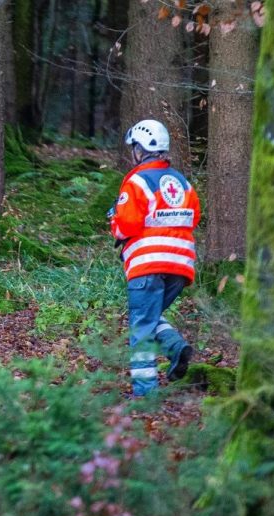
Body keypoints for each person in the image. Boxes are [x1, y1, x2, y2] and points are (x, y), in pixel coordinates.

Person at [108, 119, 200, 397]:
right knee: (150, 316)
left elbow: (128, 225)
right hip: (180, 266)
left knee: (141, 328)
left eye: (134, 147)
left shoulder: (136, 181)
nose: (133, 152)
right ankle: (175, 347)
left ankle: (145, 394)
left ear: (141, 148)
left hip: (147, 265)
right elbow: (194, 216)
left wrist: (114, 220)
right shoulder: (182, 181)